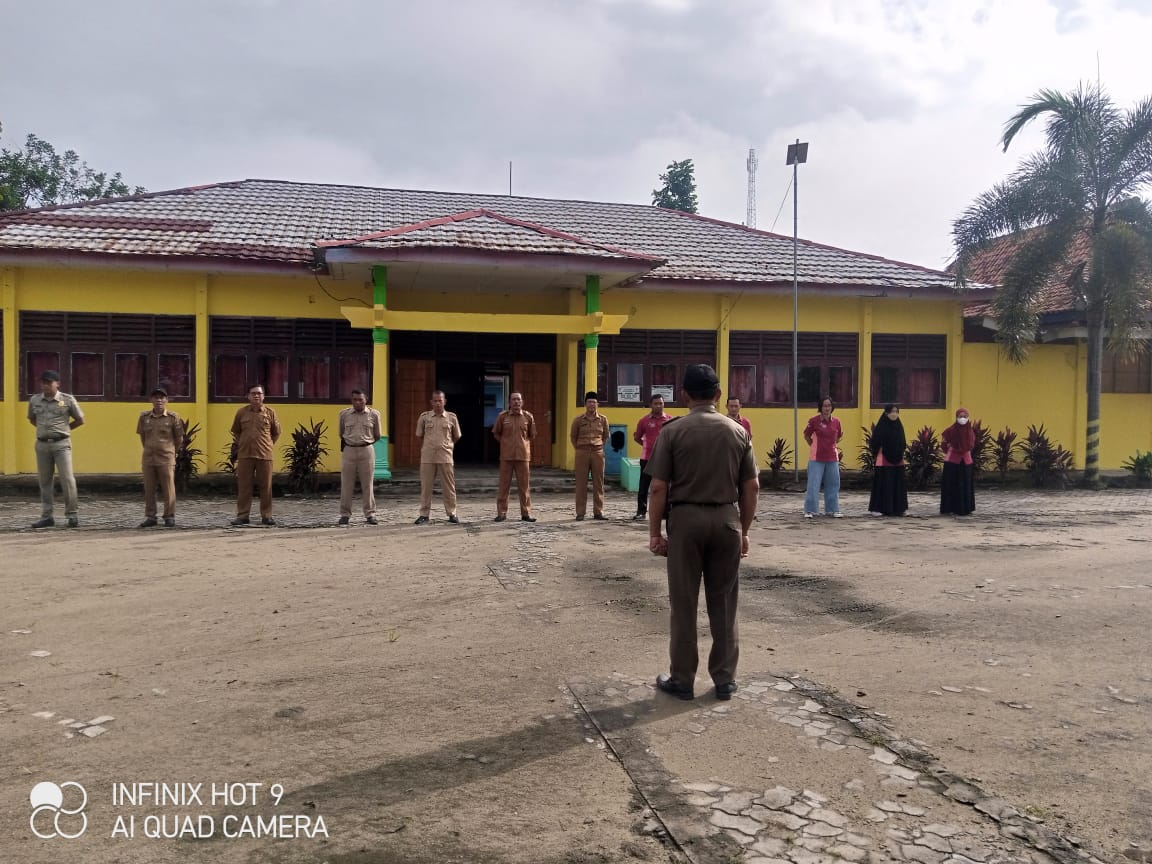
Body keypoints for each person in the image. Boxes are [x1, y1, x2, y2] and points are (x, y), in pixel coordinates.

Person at [646, 364, 759, 702]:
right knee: (724, 602)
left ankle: (682, 679)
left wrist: (655, 533)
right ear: (719, 395)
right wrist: (744, 531)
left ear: (684, 395)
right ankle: (724, 679)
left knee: (683, 602)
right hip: (726, 520)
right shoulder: (737, 431)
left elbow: (658, 488)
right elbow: (752, 487)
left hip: (686, 520)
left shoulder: (672, 431)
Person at [27, 369, 85, 529]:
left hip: (61, 445)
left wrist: (64, 430)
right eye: (43, 382)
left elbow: (80, 420)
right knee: (45, 481)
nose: (45, 386)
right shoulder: (35, 400)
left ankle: (72, 515)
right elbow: (32, 419)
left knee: (67, 479)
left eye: (49, 382)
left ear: (57, 383)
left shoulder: (67, 400)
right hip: (42, 445)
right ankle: (47, 516)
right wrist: (45, 432)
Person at [229, 384, 282, 527]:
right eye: (253, 394)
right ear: (248, 396)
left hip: (265, 455)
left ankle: (267, 516)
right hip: (245, 454)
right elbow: (236, 431)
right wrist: (243, 443)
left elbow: (276, 432)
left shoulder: (270, 413)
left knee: (266, 487)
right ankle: (243, 516)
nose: (256, 396)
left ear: (263, 396)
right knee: (244, 487)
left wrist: (269, 444)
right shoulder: (241, 412)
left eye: (259, 393)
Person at [137, 387, 184, 528]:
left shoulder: (173, 417)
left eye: (162, 397)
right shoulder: (144, 417)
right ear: (151, 400)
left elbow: (179, 438)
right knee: (149, 488)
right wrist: (150, 448)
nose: (159, 400)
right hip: (149, 457)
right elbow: (143, 437)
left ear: (166, 400)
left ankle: (169, 516)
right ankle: (151, 516)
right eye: (156, 397)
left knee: (168, 488)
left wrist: (170, 450)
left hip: (166, 457)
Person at [415, 390, 462, 524]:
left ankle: (452, 513)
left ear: (444, 401)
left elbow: (457, 436)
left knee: (449, 487)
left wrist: (446, 445)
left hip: (445, 455)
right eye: (435, 401)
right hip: (428, 456)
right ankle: (424, 514)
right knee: (426, 487)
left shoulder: (451, 417)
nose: (437, 403)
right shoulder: (424, 417)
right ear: (431, 402)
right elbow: (419, 435)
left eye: (440, 400)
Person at [337, 389, 382, 526]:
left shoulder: (374, 414)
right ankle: (345, 514)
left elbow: (377, 435)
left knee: (367, 484)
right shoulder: (344, 414)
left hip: (366, 450)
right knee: (346, 484)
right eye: (355, 399)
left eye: (360, 400)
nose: (357, 402)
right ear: (351, 400)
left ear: (365, 400)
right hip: (349, 450)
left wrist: (365, 443)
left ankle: (370, 514)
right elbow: (341, 433)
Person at [492, 391, 537, 523]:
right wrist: (506, 443)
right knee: (504, 486)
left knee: (524, 486)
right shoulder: (502, 417)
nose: (516, 402)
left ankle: (526, 513)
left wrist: (523, 444)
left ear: (522, 402)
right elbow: (496, 433)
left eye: (518, 399)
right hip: (506, 457)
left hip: (523, 457)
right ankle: (501, 513)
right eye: (513, 400)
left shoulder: (528, 417)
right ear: (509, 402)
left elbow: (532, 435)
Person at [632, 394, 674, 520]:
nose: (658, 406)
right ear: (651, 405)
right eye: (656, 403)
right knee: (644, 486)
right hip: (647, 458)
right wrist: (647, 446)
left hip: (664, 459)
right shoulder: (644, 421)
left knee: (665, 486)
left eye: (661, 403)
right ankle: (641, 511)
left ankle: (666, 512)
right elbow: (637, 437)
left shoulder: (669, 420)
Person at [570, 391, 609, 521]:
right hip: (582, 452)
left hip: (598, 452)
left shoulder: (603, 420)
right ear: (585, 404)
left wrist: (598, 446)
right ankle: (580, 512)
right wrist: (580, 449)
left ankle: (598, 512)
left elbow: (605, 436)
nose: (592, 404)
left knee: (599, 483)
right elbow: (573, 437)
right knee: (581, 483)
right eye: (589, 402)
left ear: (597, 404)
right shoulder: (578, 420)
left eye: (594, 402)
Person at [803, 396, 843, 518]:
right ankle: (810, 510)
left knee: (833, 484)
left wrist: (832, 445)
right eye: (825, 406)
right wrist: (813, 445)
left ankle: (832, 509)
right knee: (813, 485)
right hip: (816, 458)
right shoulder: (814, 421)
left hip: (832, 457)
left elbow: (839, 436)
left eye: (829, 406)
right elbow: (806, 436)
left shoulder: (836, 422)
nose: (827, 408)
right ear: (820, 407)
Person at [867, 404, 908, 517]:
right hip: (884, 457)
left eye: (896, 411)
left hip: (898, 458)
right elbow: (875, 441)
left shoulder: (899, 426)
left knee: (898, 482)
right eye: (892, 411)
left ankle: (898, 508)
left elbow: (903, 441)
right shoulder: (881, 426)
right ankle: (878, 508)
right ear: (886, 413)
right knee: (883, 482)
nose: (894, 414)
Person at [941, 407, 977, 516]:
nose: (963, 419)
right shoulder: (949, 431)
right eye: (960, 417)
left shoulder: (970, 431)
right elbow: (943, 444)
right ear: (956, 417)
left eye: (965, 417)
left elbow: (971, 445)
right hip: (952, 462)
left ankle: (966, 508)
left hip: (966, 461)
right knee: (952, 485)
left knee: (965, 485)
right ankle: (950, 507)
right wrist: (951, 451)